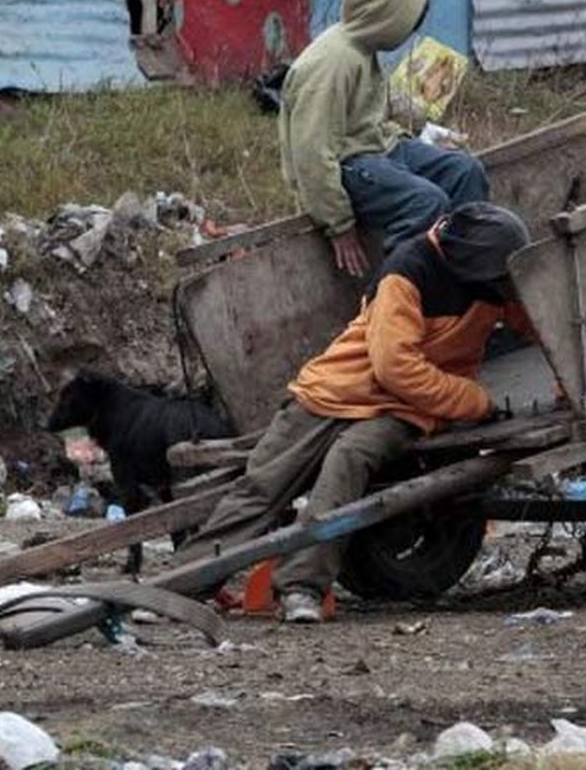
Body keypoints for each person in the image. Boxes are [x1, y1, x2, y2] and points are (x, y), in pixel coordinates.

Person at [176, 202, 532, 623]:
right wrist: (475, 401)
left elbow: (540, 322)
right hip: (338, 389)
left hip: (402, 408)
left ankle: (301, 588)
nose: (501, 286)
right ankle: (183, 585)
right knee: (263, 485)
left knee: (348, 462)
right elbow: (394, 366)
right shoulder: (408, 272)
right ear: (468, 264)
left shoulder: (492, 279)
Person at [280, 0, 489, 278]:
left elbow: (367, 123)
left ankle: (462, 277)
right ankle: (392, 296)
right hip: (347, 164)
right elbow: (312, 153)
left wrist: (410, 139)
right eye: (408, 22)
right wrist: (339, 224)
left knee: (465, 171)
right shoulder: (332, 64)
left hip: (378, 149)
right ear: (387, 18)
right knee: (426, 202)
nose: (410, 33)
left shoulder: (363, 49)